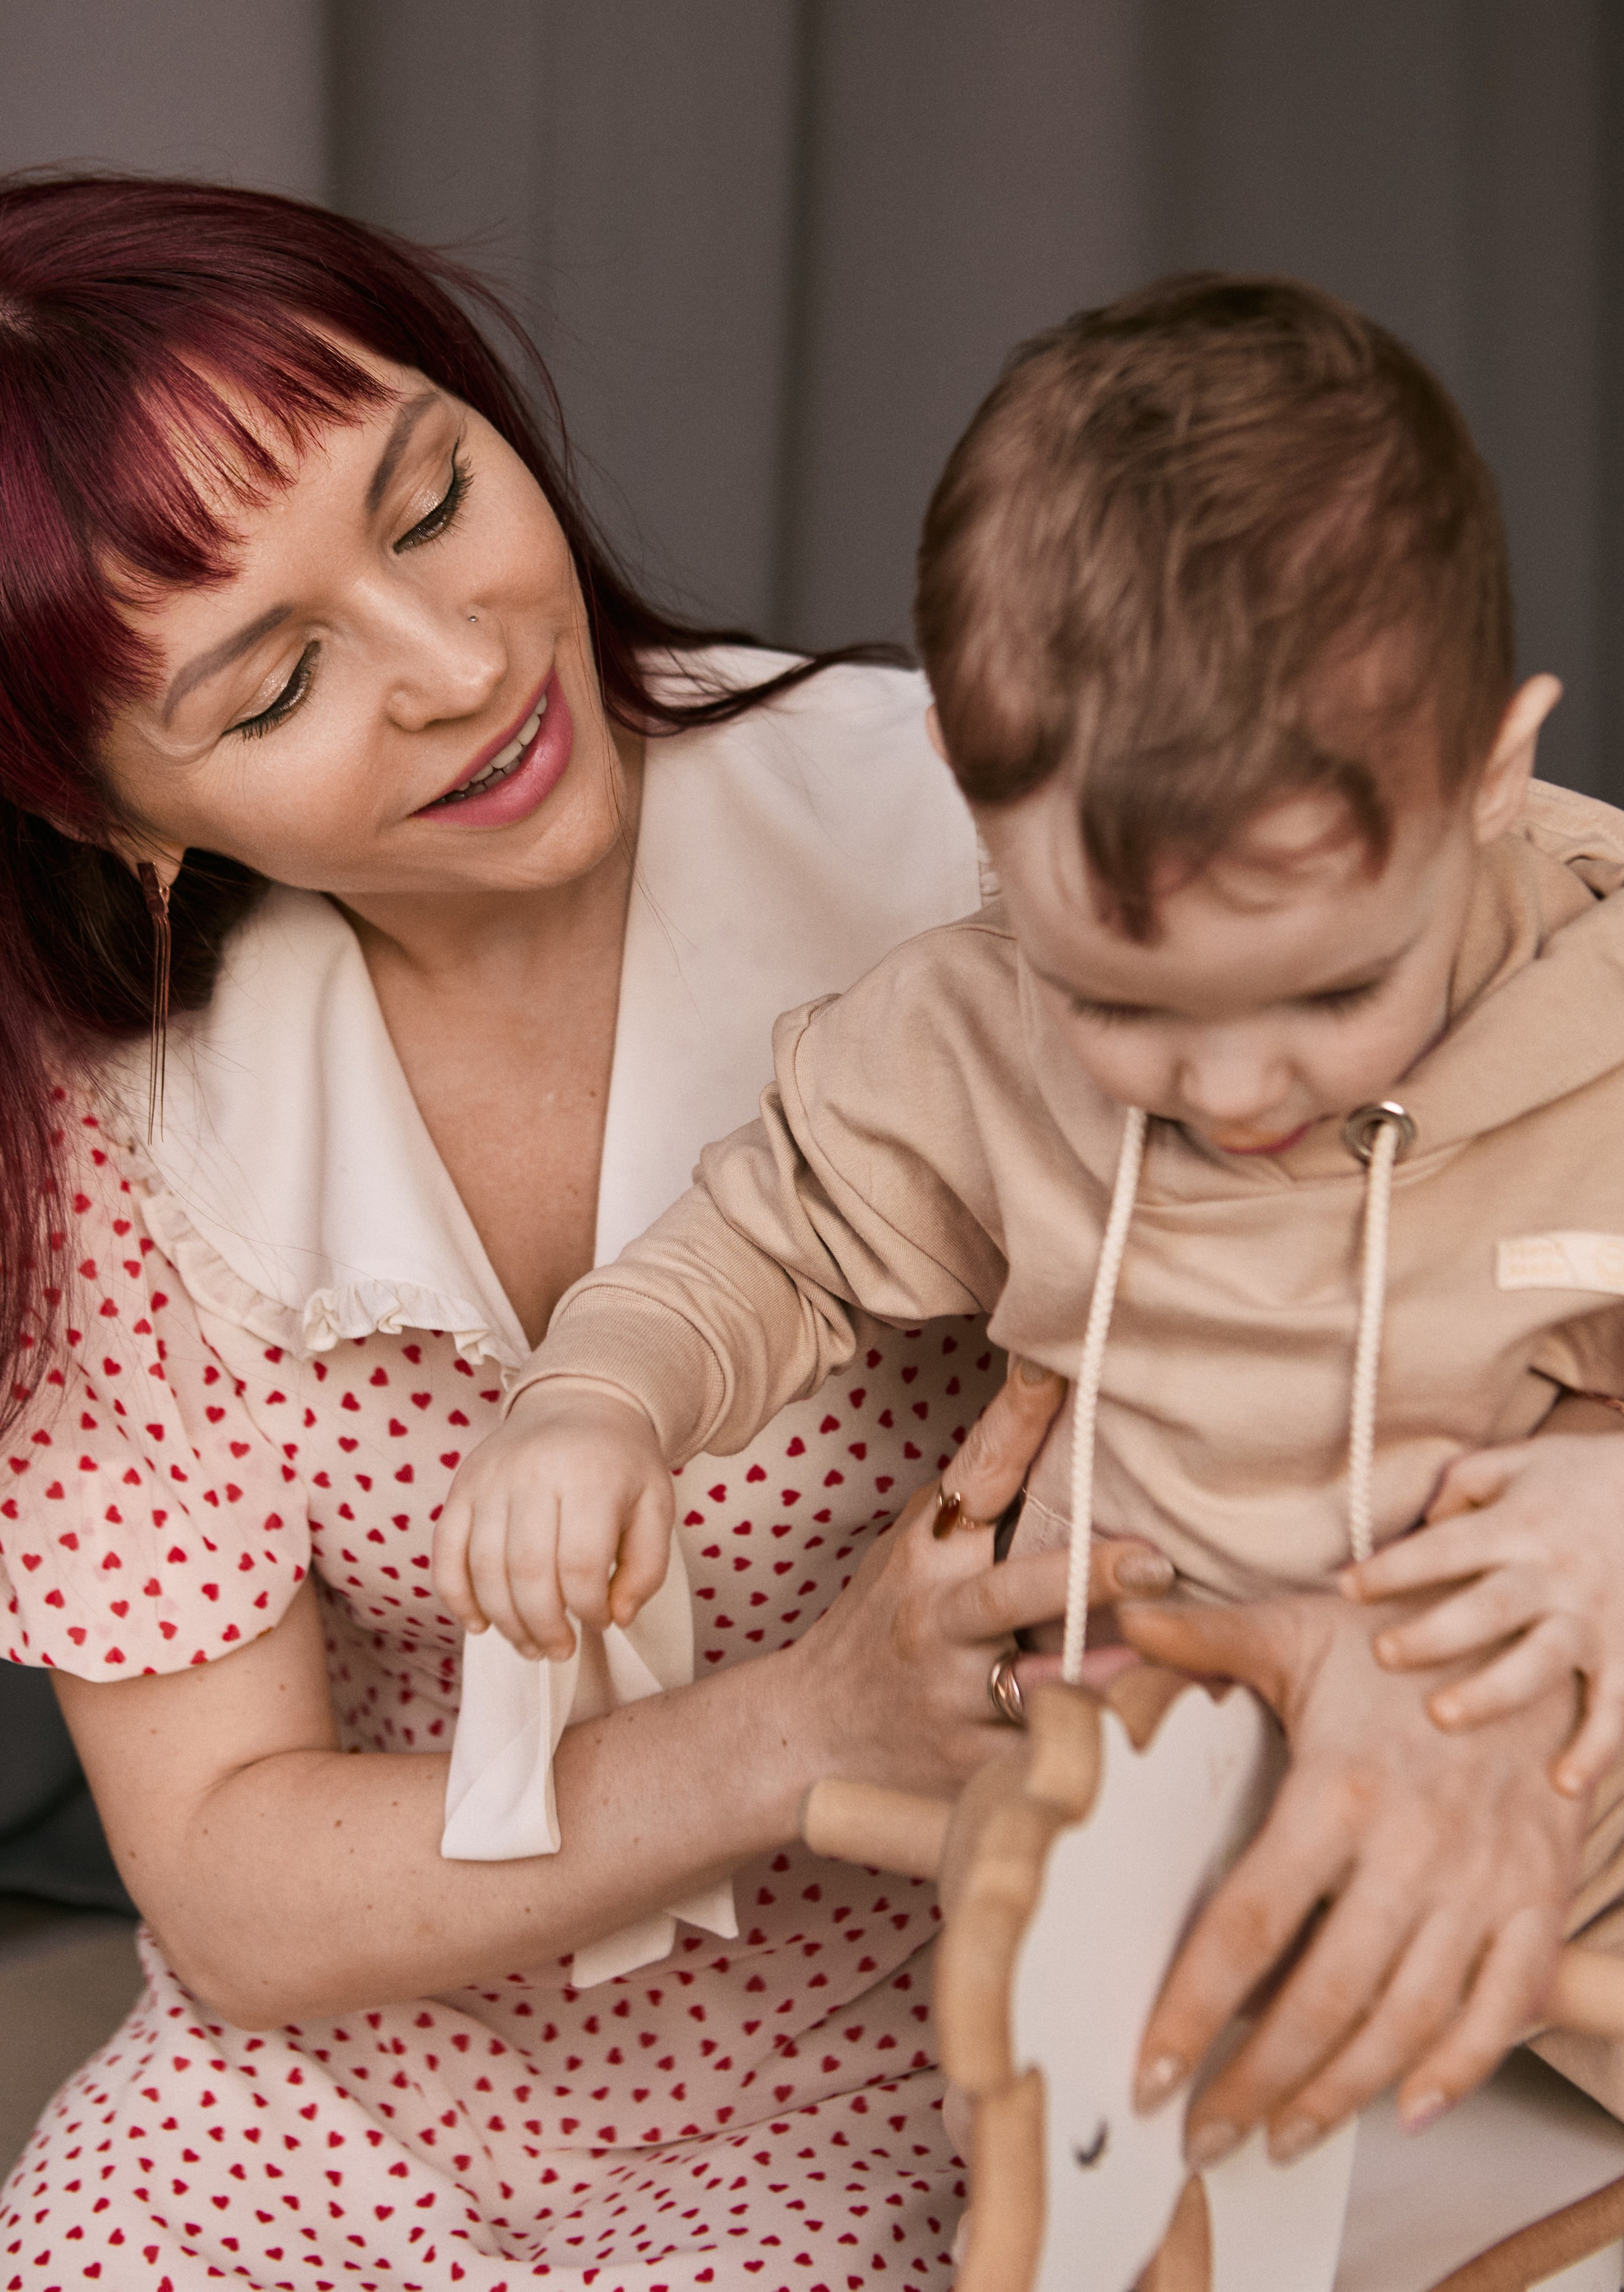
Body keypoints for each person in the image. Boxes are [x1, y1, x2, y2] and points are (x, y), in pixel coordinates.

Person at [0, 173, 1181, 2292]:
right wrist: (795, 1730)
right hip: (331, 2082)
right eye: (273, 692)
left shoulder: (965, 843)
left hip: (902, 2037)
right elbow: (235, 1886)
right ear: (103, 809)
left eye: (435, 500)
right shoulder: (121, 1140)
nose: (463, 667)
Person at [446, 274, 1624, 2167]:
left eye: (1335, 992)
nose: (1234, 1088)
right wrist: (598, 1400)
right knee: (1063, 2151)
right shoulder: (971, 1037)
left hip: (1569, 1795)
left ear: (1490, 771)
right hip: (1149, 1806)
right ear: (979, 808)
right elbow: (766, 1240)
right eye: (1126, 1008)